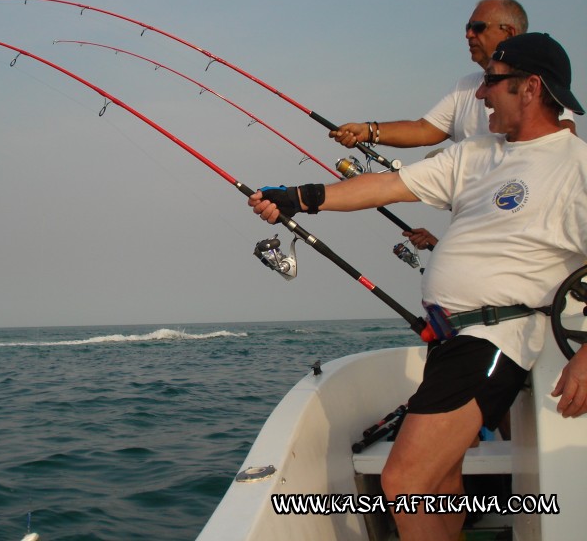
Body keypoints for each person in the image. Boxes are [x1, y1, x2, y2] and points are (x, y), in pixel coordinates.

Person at [248, 32, 586, 541]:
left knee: (406, 480)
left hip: (494, 342)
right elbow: (388, 186)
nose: (480, 94)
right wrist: (298, 196)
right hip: (452, 341)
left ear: (531, 87)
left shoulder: (575, 166)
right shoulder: (478, 152)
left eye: (493, 82)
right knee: (440, 480)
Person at [331, 0, 577, 250]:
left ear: (509, 32)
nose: (468, 35)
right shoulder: (465, 87)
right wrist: (369, 131)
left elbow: (562, 145)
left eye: (478, 27)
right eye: (467, 28)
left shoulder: (543, 91)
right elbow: (424, 130)